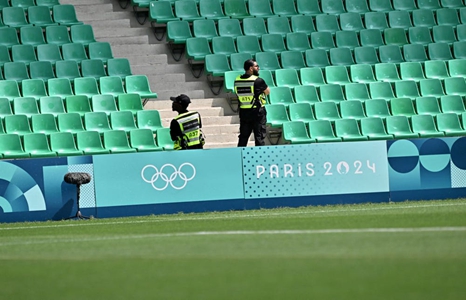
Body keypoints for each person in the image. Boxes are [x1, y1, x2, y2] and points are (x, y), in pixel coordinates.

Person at [234, 59, 270, 147]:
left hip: (244, 112)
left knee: (243, 138)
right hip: (257, 112)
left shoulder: (237, 80)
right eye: (256, 66)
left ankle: (240, 158)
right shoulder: (258, 80)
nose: (258, 68)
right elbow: (267, 91)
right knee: (259, 137)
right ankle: (261, 159)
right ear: (251, 68)